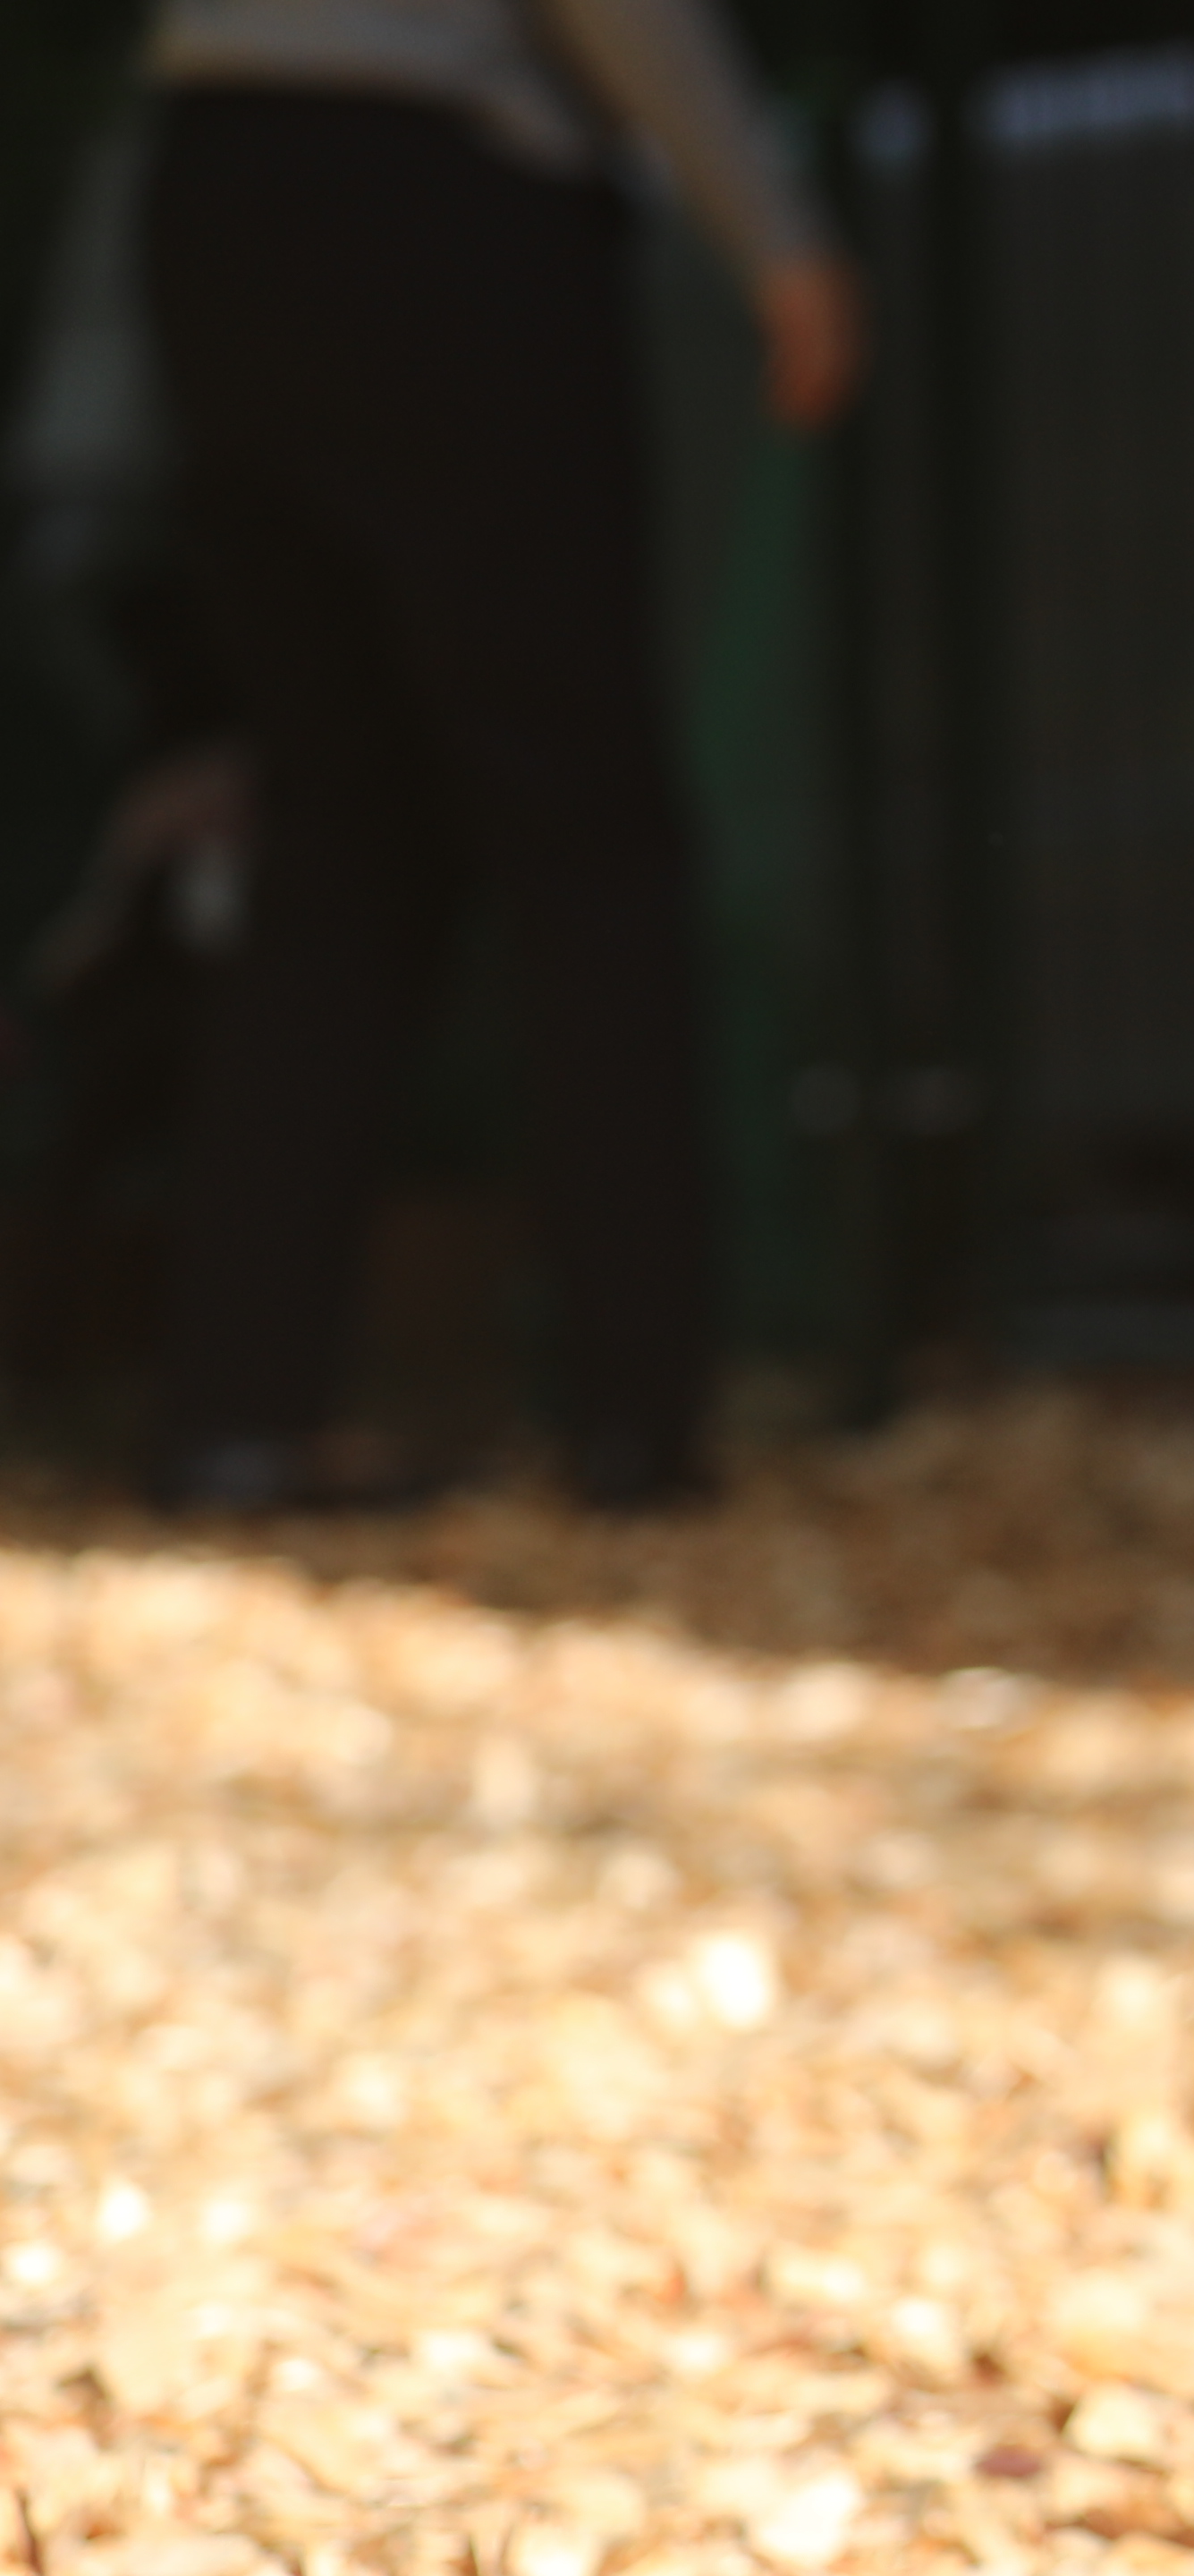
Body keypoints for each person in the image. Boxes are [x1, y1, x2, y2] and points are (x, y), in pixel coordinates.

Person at [130, 0, 860, 1517]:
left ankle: (237, 1416)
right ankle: (636, 1414)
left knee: (339, 838)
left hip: (213, 193)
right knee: (586, 829)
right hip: (438, 209)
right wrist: (775, 233)